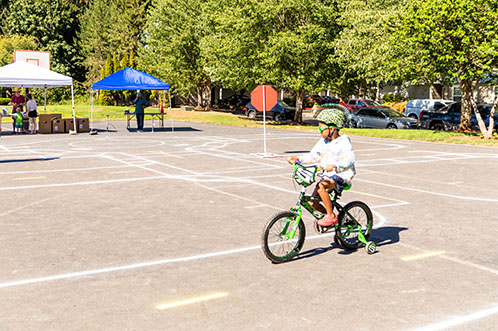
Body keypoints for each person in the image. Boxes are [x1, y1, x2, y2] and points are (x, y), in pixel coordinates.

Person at [287, 109, 356, 227]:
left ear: (332, 129)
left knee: (321, 186)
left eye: (321, 128)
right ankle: (330, 218)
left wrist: (335, 166)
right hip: (327, 175)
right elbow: (313, 156)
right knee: (312, 203)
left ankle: (331, 216)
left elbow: (350, 159)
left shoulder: (343, 141)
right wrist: (298, 159)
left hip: (342, 175)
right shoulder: (323, 142)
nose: (319, 131)